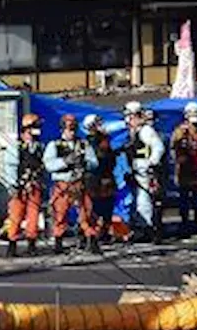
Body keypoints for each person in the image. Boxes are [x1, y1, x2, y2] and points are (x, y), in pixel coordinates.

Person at [44, 114, 99, 255]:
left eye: (74, 129)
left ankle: (91, 239)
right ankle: (58, 241)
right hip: (63, 184)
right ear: (62, 129)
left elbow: (94, 162)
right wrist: (65, 161)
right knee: (60, 213)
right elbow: (49, 164)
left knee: (86, 212)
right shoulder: (54, 145)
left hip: (79, 183)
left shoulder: (83, 144)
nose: (71, 132)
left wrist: (84, 162)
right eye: (69, 129)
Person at [4, 113, 46, 257]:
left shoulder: (40, 147)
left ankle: (31, 244)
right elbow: (10, 167)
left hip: (35, 186)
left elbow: (44, 165)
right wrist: (13, 184)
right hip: (19, 187)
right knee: (16, 215)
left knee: (33, 215)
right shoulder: (15, 148)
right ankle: (12, 244)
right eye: (30, 131)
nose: (33, 134)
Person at [123, 101, 165, 244]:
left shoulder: (146, 131)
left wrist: (151, 164)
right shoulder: (133, 133)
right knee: (137, 200)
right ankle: (141, 226)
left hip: (144, 171)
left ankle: (147, 229)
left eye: (130, 116)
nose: (128, 120)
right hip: (136, 170)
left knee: (144, 201)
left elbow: (158, 147)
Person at [171, 102, 197, 235]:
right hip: (185, 170)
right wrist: (179, 161)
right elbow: (174, 149)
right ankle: (184, 224)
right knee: (184, 199)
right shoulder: (179, 131)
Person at [82, 114, 118, 246]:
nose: (101, 126)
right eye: (97, 124)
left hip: (106, 178)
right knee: (94, 208)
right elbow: (98, 159)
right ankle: (93, 234)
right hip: (94, 180)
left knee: (107, 207)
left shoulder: (105, 141)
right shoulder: (89, 142)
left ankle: (104, 232)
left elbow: (110, 160)